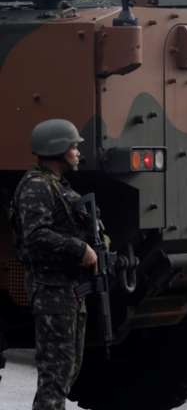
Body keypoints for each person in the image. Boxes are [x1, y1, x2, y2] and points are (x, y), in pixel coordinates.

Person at [11, 119, 97, 410]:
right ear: (57, 149)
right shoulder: (36, 187)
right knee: (55, 375)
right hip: (51, 291)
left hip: (69, 291)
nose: (77, 153)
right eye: (73, 147)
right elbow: (35, 236)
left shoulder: (58, 186)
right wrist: (79, 248)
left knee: (67, 370)